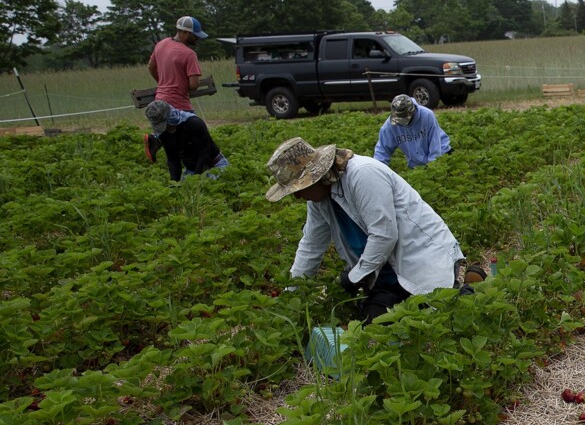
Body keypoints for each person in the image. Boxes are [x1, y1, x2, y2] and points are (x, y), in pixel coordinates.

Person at [266, 136, 479, 324]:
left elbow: (384, 235)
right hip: (384, 275)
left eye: (298, 188)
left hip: (421, 259)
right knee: (375, 325)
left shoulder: (363, 174)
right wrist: (290, 298)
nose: (296, 196)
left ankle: (472, 289)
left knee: (441, 316)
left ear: (316, 176)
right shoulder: (319, 200)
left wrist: (354, 277)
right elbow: (310, 247)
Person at [145, 15, 208, 162]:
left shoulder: (161, 44)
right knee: (195, 137)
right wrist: (180, 84)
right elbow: (194, 84)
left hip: (160, 102)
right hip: (180, 104)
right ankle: (197, 171)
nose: (197, 39)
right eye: (195, 35)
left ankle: (156, 139)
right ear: (185, 33)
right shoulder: (189, 54)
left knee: (172, 141)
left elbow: (151, 66)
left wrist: (162, 81)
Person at [144, 100, 227, 183]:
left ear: (170, 116)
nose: (166, 128)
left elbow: (204, 154)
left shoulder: (193, 123)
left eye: (166, 124)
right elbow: (173, 159)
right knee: (183, 191)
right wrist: (174, 183)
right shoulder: (163, 133)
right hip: (191, 169)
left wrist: (196, 179)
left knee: (209, 186)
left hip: (214, 165)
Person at [374, 94, 451, 168]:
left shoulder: (427, 115)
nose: (402, 123)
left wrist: (433, 167)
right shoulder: (391, 125)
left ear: (413, 112)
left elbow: (435, 145)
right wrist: (378, 169)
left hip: (442, 154)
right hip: (418, 164)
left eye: (404, 118)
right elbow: (382, 150)